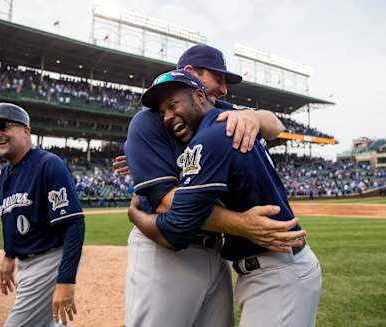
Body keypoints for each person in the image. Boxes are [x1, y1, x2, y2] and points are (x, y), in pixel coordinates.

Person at [123, 45, 304, 327]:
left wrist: (252, 116)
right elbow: (167, 202)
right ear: (190, 74)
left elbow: (276, 125)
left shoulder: (217, 114)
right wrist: (242, 224)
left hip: (215, 252)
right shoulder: (148, 121)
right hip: (167, 252)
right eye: (217, 78)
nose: (223, 89)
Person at [0, 102, 85, 327]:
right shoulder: (7, 172)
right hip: (25, 263)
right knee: (53, 323)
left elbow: (74, 223)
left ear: (26, 131)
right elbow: (9, 218)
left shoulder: (49, 165)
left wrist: (65, 281)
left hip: (46, 262)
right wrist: (9, 255)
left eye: (2, 126)